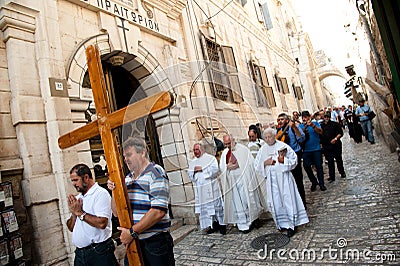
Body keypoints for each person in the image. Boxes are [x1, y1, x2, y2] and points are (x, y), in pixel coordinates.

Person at [108, 137, 174, 266]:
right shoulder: (126, 179)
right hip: (133, 242)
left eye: (129, 155)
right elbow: (116, 213)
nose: (126, 159)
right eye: (124, 156)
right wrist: (114, 191)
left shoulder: (156, 173)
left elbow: (158, 211)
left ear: (142, 152)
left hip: (154, 243)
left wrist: (132, 232)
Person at [254, 128, 309, 237]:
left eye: (269, 137)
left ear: (274, 136)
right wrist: (265, 162)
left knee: (288, 199)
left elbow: (294, 160)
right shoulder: (263, 149)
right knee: (276, 201)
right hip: (271, 180)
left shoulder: (282, 146)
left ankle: (292, 225)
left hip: (284, 179)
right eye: (265, 137)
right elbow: (256, 165)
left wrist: (283, 161)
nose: (267, 139)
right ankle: (282, 223)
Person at [66, 163, 118, 266]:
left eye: (76, 180)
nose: (73, 184)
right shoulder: (78, 198)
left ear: (86, 177)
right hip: (80, 254)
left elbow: (102, 223)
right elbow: (71, 228)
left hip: (99, 252)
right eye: (72, 181)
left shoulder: (100, 194)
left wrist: (80, 213)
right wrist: (74, 213)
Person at [219, 134, 264, 233]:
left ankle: (254, 219)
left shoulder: (243, 149)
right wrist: (227, 167)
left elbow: (250, 163)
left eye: (229, 143)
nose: (228, 146)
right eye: (226, 144)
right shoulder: (225, 153)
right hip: (232, 182)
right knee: (237, 202)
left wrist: (238, 164)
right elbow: (222, 167)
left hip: (244, 179)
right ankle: (243, 224)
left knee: (247, 199)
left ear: (233, 140)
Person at [188, 142, 226, 234]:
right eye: (194, 150)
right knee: (205, 209)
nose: (195, 152)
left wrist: (202, 169)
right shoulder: (192, 162)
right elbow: (189, 174)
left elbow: (215, 170)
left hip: (212, 189)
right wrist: (193, 171)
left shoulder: (210, 158)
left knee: (216, 207)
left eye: (197, 150)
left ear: (201, 149)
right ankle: (212, 225)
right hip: (201, 192)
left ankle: (222, 225)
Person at [276, 113, 307, 208]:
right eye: (278, 119)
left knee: (298, 179)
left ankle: (302, 202)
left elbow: (301, 139)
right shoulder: (279, 131)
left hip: (294, 155)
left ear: (287, 120)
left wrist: (295, 128)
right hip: (284, 158)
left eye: (282, 119)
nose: (280, 121)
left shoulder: (294, 128)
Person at [299, 111, 326, 191]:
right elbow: (299, 136)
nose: (304, 118)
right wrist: (305, 127)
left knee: (319, 166)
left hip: (316, 149)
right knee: (306, 166)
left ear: (309, 117)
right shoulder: (300, 126)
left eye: (306, 117)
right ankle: (314, 181)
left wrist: (312, 126)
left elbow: (321, 132)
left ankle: (321, 184)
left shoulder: (315, 123)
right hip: (306, 150)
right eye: (303, 117)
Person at [320, 111, 346, 182]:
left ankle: (342, 172)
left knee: (339, 159)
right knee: (330, 161)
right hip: (327, 146)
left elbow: (340, 133)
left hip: (336, 145)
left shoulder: (335, 124)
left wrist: (335, 139)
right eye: (324, 117)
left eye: (327, 117)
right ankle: (332, 176)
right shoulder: (321, 126)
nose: (326, 118)